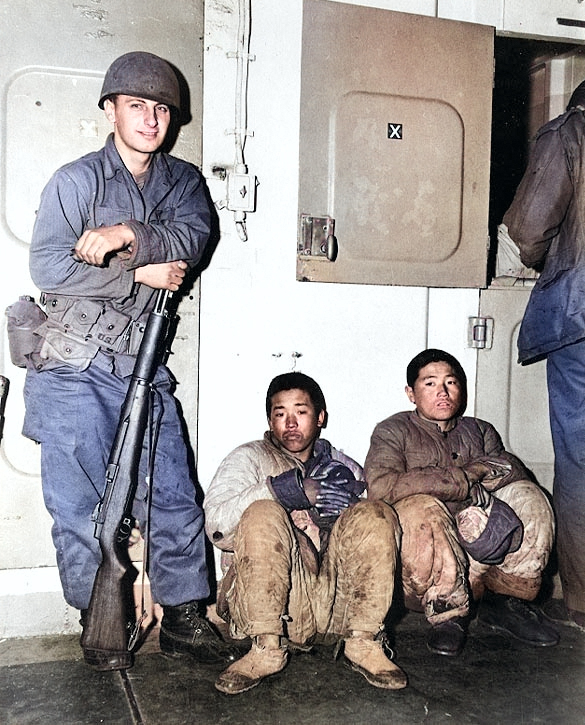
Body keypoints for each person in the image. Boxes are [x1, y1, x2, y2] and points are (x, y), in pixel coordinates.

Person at [20, 51, 237, 670]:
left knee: (172, 489)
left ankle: (186, 612)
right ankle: (99, 614)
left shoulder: (182, 182)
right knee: (78, 503)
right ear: (112, 110)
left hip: (142, 363)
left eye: (161, 108)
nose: (150, 118)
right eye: (137, 105)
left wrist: (121, 237)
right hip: (72, 362)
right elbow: (50, 267)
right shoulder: (76, 180)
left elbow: (193, 238)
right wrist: (137, 270)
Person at [203, 371, 407, 695]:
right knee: (262, 510)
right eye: (279, 414)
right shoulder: (249, 457)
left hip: (338, 608)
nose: (290, 423)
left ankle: (364, 642)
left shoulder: (345, 466)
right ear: (270, 420)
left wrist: (343, 514)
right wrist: (283, 491)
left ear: (320, 417)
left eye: (300, 411)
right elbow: (215, 526)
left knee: (376, 512)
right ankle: (266, 649)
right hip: (280, 607)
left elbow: (383, 539)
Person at [363, 348, 558, 657]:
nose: (443, 392)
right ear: (411, 393)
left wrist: (485, 483)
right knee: (420, 505)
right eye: (430, 383)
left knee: (530, 496)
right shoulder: (393, 431)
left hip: (478, 555)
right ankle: (448, 615)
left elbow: (510, 471)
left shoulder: (479, 430)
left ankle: (508, 600)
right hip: (422, 563)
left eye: (451, 382)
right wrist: (464, 478)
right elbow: (381, 487)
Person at [502, 82, 585, 631]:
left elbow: (528, 231)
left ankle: (582, 600)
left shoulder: (570, 135)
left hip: (581, 322)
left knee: (580, 462)